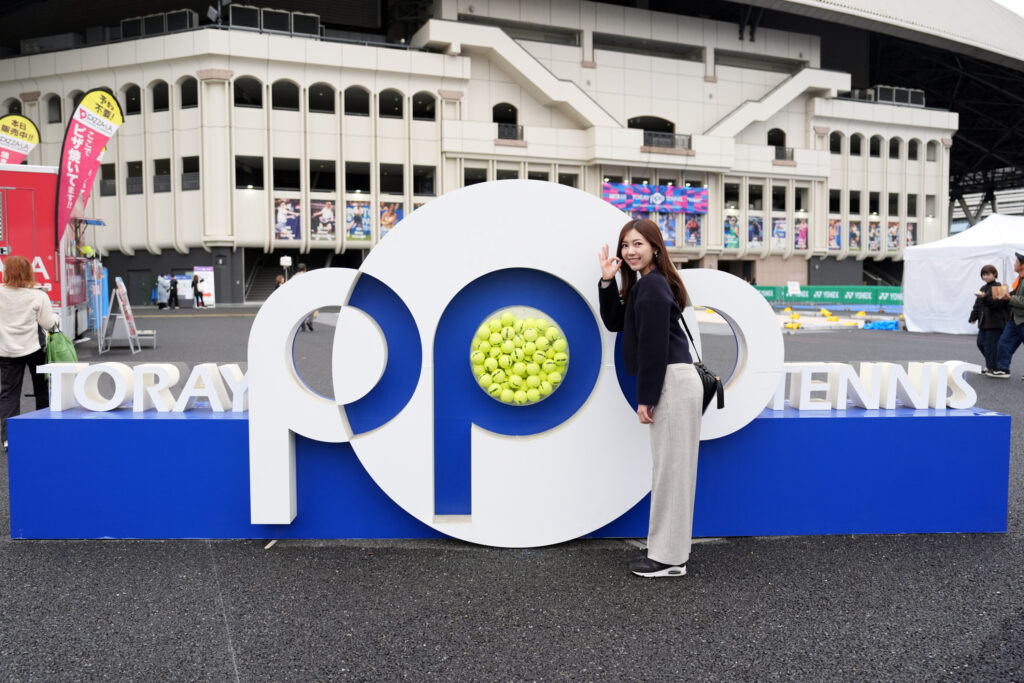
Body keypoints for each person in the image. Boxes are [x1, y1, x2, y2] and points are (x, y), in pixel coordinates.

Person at [597, 218, 702, 578]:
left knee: (672, 472)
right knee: (670, 469)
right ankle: (667, 551)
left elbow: (655, 349)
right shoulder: (646, 285)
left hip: (671, 381)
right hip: (670, 381)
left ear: (655, 247)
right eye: (625, 245)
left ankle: (669, 559)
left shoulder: (654, 286)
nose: (629, 251)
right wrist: (608, 281)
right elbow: (615, 322)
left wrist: (647, 397)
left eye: (638, 244)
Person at [0, 255, 57, 449]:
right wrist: (56, 317)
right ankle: (43, 429)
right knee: (41, 390)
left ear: (7, 272)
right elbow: (48, 324)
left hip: (6, 351)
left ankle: (8, 438)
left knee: (8, 394)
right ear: (29, 272)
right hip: (34, 349)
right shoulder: (38, 295)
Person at [968, 264, 1008, 375]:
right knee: (980, 343)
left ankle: (993, 367)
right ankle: (992, 365)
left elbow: (999, 305)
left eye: (988, 274)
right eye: (983, 274)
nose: (985, 277)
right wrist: (973, 316)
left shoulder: (1000, 287)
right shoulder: (983, 288)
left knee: (991, 346)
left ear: (994, 274)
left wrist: (985, 297)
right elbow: (977, 305)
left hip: (996, 322)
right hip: (984, 322)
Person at [991, 252, 1024, 378]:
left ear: (1022, 265)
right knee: (1004, 342)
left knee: (1005, 342)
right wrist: (1002, 294)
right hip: (1014, 318)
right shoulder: (1019, 280)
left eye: (1016, 262)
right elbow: (1014, 294)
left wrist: (1009, 298)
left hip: (1021, 319)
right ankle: (1003, 368)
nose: (1014, 264)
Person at [296, 263, 314, 331]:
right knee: (312, 310)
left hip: (298, 297)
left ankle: (302, 324)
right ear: (305, 268)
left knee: (300, 311)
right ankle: (309, 321)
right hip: (307, 296)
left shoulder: (295, 276)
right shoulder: (308, 275)